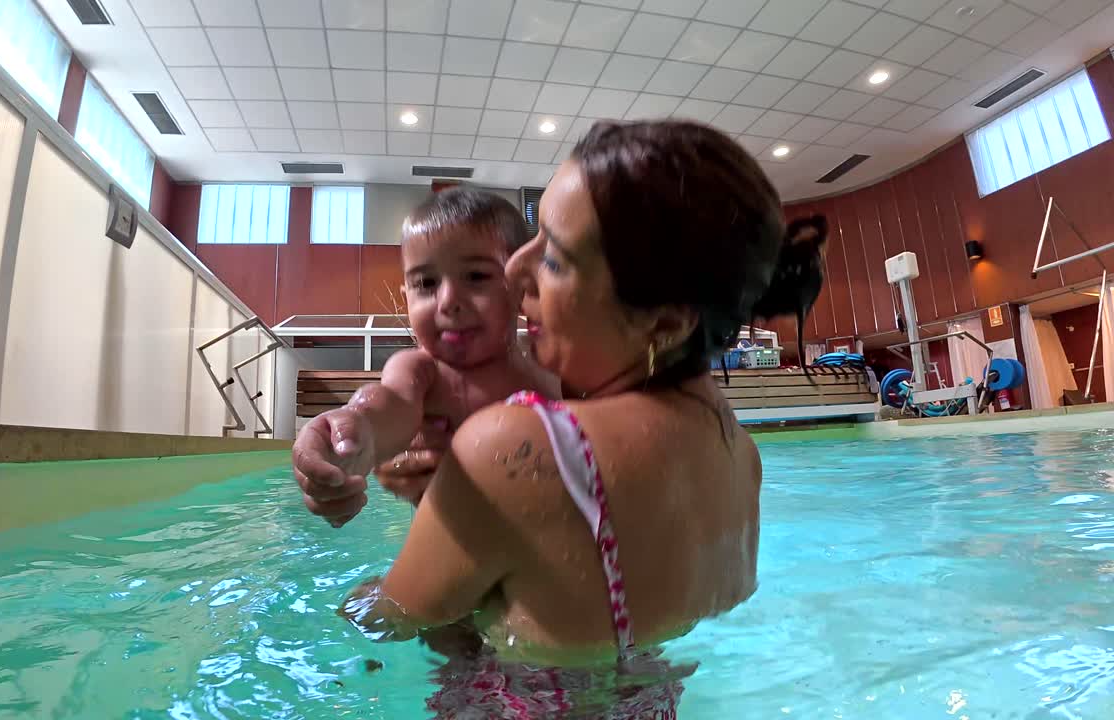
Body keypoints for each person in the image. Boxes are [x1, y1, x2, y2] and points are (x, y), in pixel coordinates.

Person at [303, 119, 808, 717]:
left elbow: (391, 617)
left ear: (666, 322)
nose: (517, 271)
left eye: (554, 258)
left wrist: (367, 592)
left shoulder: (517, 447)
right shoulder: (741, 456)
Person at [292, 188, 556, 526]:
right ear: (407, 298)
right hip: (450, 545)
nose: (448, 301)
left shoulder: (546, 364)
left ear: (521, 287)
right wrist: (355, 432)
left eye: (476, 276)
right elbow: (389, 404)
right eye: (427, 282)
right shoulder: (422, 371)